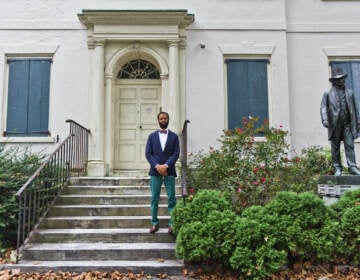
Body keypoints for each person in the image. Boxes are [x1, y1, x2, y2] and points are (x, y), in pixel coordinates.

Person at [145, 112, 180, 234]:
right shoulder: (151, 136)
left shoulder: (174, 137)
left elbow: (176, 153)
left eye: (165, 118)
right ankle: (154, 223)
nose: (163, 120)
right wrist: (157, 166)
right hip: (155, 172)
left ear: (168, 120)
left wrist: (165, 166)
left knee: (171, 198)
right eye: (161, 118)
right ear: (158, 120)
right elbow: (148, 154)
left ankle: (172, 224)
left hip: (169, 171)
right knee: (154, 198)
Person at [320, 70, 360, 176]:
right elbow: (323, 107)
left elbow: (355, 110)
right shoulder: (327, 93)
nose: (342, 80)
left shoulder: (350, 93)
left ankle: (352, 167)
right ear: (335, 81)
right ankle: (337, 167)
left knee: (349, 145)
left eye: (343, 78)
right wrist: (325, 119)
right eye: (339, 79)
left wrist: (358, 123)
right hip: (335, 125)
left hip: (347, 124)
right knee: (335, 147)